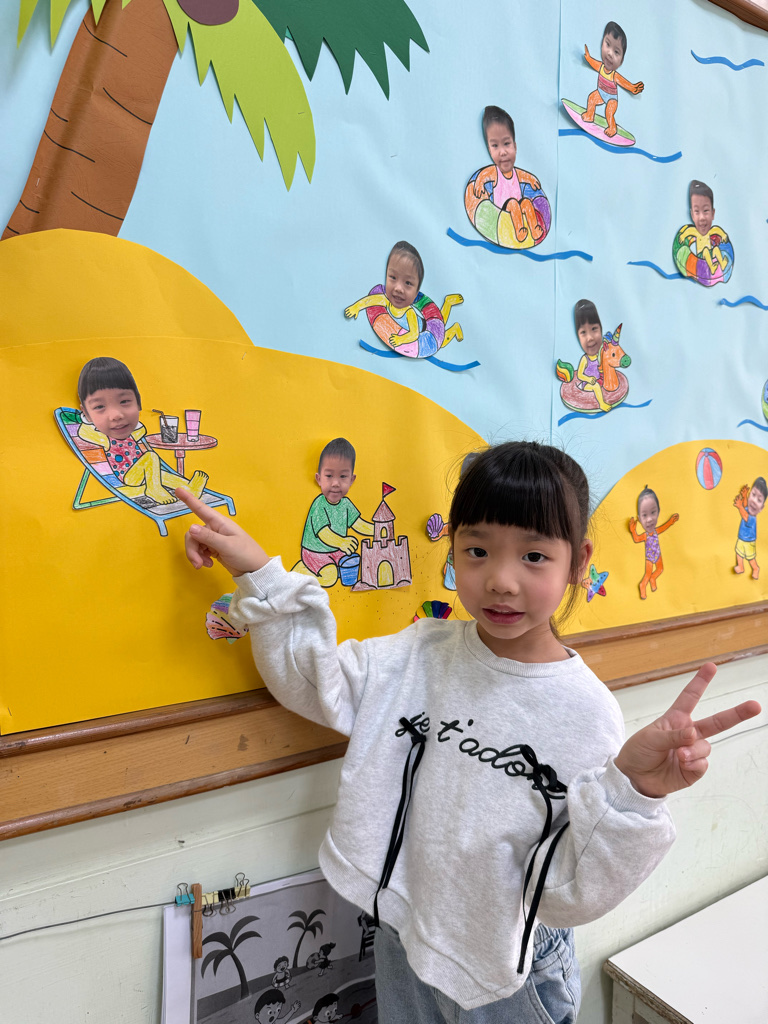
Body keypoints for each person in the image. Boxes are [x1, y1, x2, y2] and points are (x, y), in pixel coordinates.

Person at [176, 441, 760, 1022]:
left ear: (578, 562)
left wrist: (635, 790)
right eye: (477, 550)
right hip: (405, 931)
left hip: (509, 967)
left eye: (534, 556)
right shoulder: (418, 653)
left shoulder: (586, 713)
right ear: (453, 547)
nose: (500, 580)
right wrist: (259, 573)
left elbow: (571, 891)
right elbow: (314, 680)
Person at [77, 356, 208, 506]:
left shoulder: (131, 435)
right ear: (86, 413)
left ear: (138, 401)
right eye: (99, 407)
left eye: (124, 401)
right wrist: (86, 418)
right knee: (151, 457)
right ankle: (153, 489)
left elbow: (142, 430)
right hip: (130, 477)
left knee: (162, 475)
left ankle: (189, 489)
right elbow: (83, 433)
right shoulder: (106, 440)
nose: (116, 415)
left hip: (144, 472)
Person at [344, 241, 463, 355]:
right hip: (419, 326)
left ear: (416, 293)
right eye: (393, 277)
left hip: (424, 328)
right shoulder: (385, 300)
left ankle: (452, 318)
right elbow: (369, 301)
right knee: (438, 324)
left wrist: (400, 340)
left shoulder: (409, 313)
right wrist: (356, 307)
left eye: (408, 283)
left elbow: (414, 334)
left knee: (440, 337)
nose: (398, 288)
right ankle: (448, 304)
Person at [291, 438, 374, 588]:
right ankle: (299, 572)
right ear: (319, 479)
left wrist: (378, 530)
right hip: (314, 552)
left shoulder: (346, 504)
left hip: (336, 551)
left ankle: (315, 568)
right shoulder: (319, 504)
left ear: (351, 480)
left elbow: (358, 524)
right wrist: (341, 542)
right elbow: (324, 533)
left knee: (351, 565)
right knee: (330, 578)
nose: (335, 483)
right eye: (329, 476)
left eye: (343, 477)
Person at [471, 106, 544, 243]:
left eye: (506, 144)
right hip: (503, 212)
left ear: (515, 147)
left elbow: (525, 176)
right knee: (513, 204)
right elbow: (484, 175)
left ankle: (534, 228)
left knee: (526, 202)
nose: (502, 152)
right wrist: (479, 183)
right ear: (489, 150)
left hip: (518, 209)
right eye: (495, 146)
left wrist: (531, 179)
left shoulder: (516, 173)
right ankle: (519, 230)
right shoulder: (496, 172)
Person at [582, 22, 644, 137]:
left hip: (611, 99)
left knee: (609, 112)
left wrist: (632, 87)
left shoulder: (614, 75)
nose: (610, 54)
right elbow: (593, 63)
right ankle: (590, 115)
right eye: (607, 44)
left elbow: (624, 83)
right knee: (591, 98)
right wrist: (588, 58)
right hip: (600, 93)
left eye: (616, 52)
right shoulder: (600, 67)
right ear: (602, 43)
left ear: (621, 61)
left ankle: (612, 128)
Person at [629, 485, 679, 600]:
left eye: (653, 513)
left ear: (658, 512)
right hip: (650, 557)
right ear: (639, 519)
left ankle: (653, 579)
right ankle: (643, 586)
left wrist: (671, 521)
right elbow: (636, 539)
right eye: (644, 515)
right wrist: (633, 531)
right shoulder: (645, 535)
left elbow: (664, 527)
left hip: (658, 554)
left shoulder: (656, 531)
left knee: (660, 569)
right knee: (647, 574)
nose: (649, 519)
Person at [678, 181, 729, 276]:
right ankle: (712, 268)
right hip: (702, 256)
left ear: (713, 214)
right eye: (697, 211)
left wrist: (723, 235)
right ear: (692, 215)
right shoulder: (695, 231)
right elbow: (688, 231)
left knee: (716, 249)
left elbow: (717, 230)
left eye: (705, 211)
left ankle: (722, 264)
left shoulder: (711, 231)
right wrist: (683, 236)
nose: (701, 218)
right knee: (705, 250)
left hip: (710, 253)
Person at [573, 299, 611, 412]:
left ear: (601, 329)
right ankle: (602, 404)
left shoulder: (602, 353)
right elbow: (580, 375)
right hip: (588, 383)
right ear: (578, 336)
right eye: (583, 332)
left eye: (594, 329)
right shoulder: (585, 359)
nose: (590, 338)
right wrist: (589, 379)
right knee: (596, 386)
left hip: (600, 380)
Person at [733, 477, 766, 579]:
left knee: (750, 558)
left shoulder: (752, 517)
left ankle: (756, 568)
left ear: (761, 508)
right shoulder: (748, 509)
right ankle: (741, 567)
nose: (754, 501)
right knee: (738, 553)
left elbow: (745, 516)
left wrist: (739, 507)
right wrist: (745, 496)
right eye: (753, 494)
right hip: (741, 538)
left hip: (749, 541)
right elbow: (746, 505)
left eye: (759, 500)